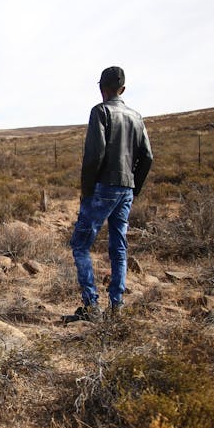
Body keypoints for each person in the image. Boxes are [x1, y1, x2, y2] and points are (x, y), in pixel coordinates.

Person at [69, 66, 153, 321]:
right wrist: (133, 187)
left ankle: (92, 306)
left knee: (80, 245)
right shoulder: (136, 117)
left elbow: (95, 155)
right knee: (119, 247)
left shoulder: (101, 111)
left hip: (103, 187)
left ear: (100, 88)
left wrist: (87, 191)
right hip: (126, 188)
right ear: (123, 89)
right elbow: (147, 157)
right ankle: (116, 306)